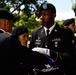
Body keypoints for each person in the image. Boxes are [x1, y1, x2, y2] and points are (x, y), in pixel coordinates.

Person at [0, 8, 59, 75]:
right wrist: (46, 59)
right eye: (11, 23)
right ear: (7, 22)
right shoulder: (8, 39)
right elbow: (27, 55)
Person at [29, 2, 76, 75]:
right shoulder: (35, 33)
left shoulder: (65, 32)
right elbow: (30, 57)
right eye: (40, 14)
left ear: (54, 15)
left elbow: (70, 58)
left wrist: (49, 53)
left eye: (45, 14)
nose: (41, 17)